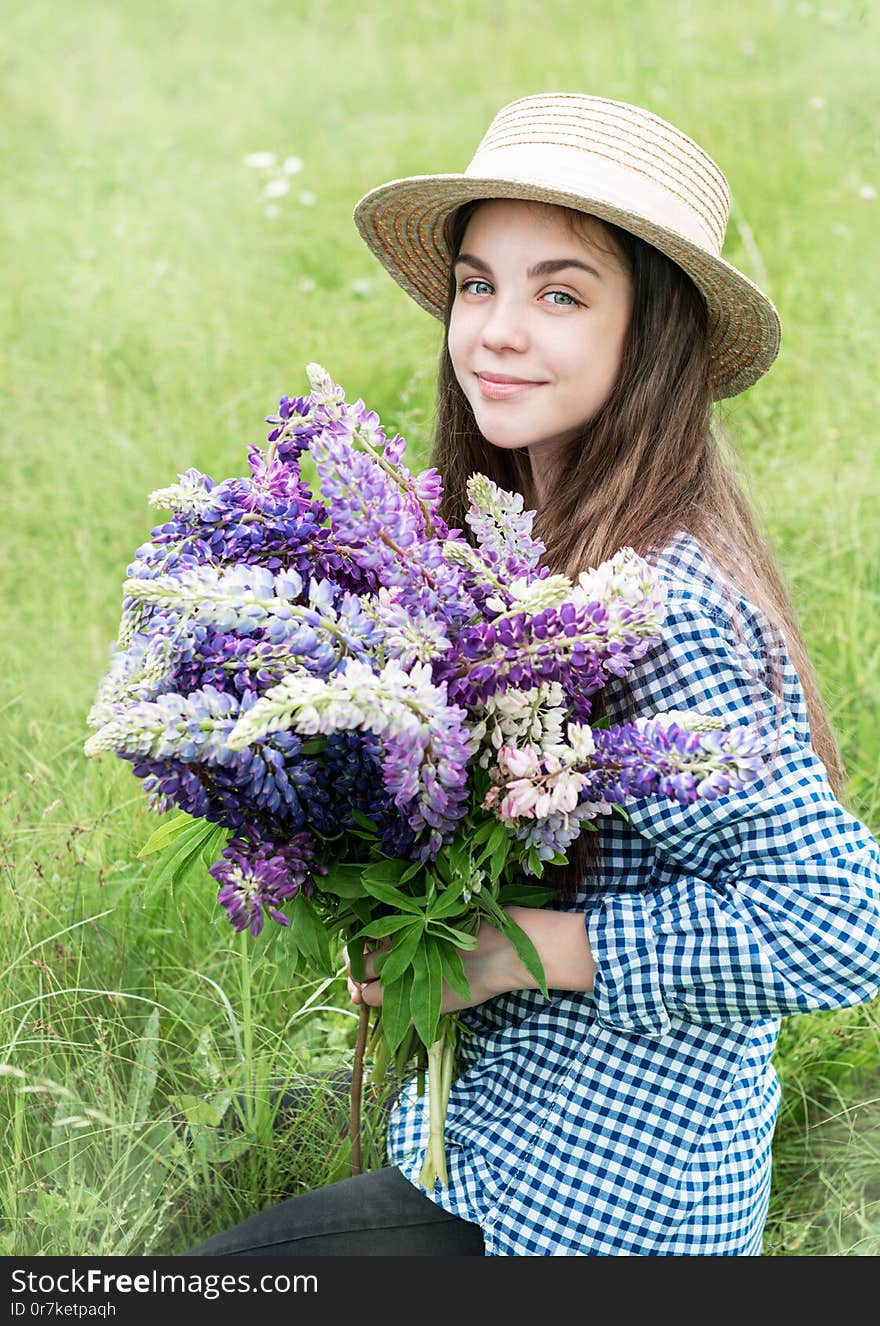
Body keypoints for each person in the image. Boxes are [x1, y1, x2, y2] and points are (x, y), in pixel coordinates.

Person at [183, 93, 880, 1257]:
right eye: (477, 283)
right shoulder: (525, 544)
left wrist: (512, 951)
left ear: (650, 335)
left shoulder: (662, 606)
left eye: (560, 292)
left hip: (601, 1216)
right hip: (481, 1164)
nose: (497, 331)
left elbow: (838, 921)